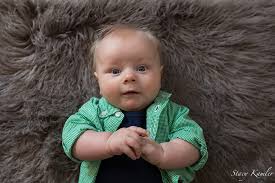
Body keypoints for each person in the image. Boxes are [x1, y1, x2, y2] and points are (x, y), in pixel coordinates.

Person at [62, 24, 208, 183]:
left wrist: (162, 153)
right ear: (99, 81)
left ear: (160, 74)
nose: (129, 77)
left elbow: (193, 145)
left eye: (141, 68)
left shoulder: (172, 113)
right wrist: (109, 143)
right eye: (115, 71)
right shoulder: (94, 111)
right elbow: (73, 138)